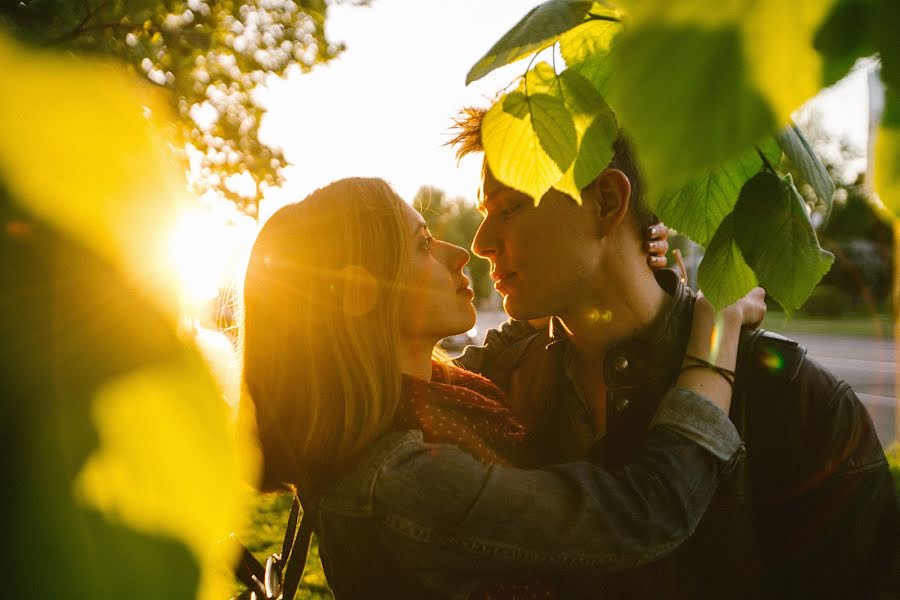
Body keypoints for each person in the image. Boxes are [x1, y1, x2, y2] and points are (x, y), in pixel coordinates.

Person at [239, 177, 766, 599]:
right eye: (423, 243)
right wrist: (717, 328)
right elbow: (647, 513)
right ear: (359, 293)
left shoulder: (430, 396)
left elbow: (514, 337)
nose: (459, 252)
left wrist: (608, 257)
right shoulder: (406, 484)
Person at [450, 109, 900, 599]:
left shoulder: (797, 402)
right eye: (484, 213)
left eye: (510, 207)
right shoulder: (493, 390)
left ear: (607, 201)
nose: (480, 243)